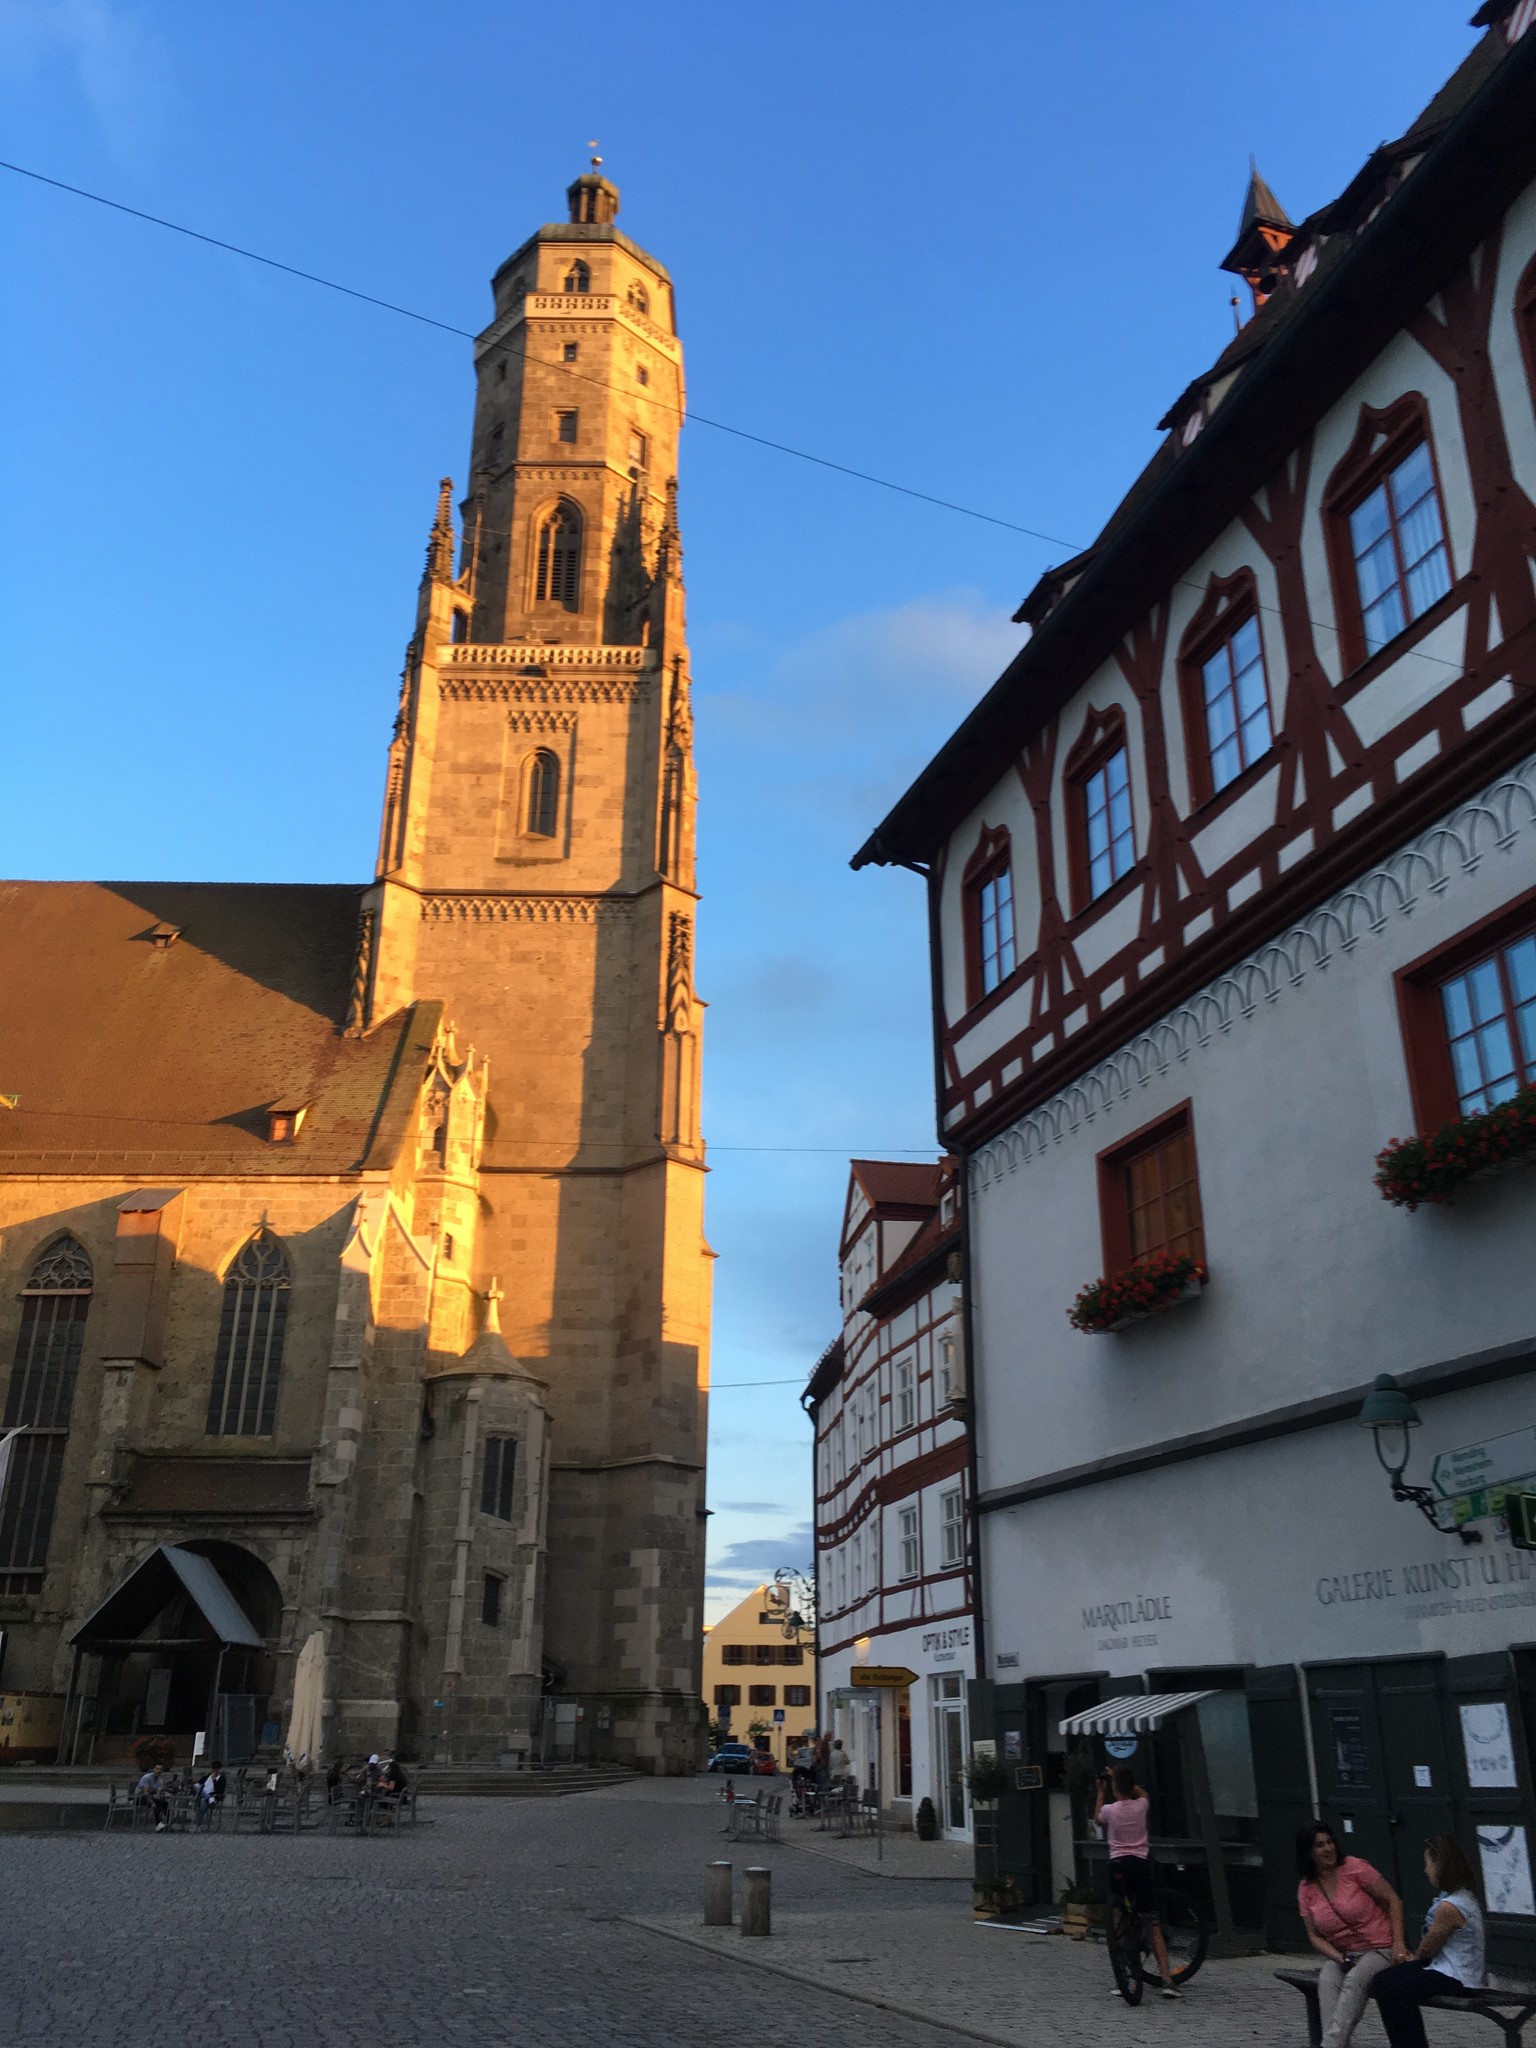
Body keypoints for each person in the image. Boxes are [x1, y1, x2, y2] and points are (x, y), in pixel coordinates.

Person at [1295, 1821, 1406, 2046]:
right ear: (1308, 1852)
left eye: (1329, 1842)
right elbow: (1314, 1935)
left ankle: (1329, 2045)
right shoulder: (1306, 1888)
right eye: (1319, 1845)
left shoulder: (1355, 1868)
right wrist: (1339, 1958)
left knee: (1354, 1981)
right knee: (1327, 1981)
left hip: (1379, 1948)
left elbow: (1393, 1900)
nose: (1328, 1849)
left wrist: (1399, 1944)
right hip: (1343, 1953)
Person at [1371, 1836, 1486, 2048]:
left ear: (1440, 1865)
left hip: (1457, 1977)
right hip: (1447, 1970)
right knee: (1388, 1980)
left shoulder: (1449, 1907)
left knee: (1390, 1985)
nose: (1426, 1870)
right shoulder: (1463, 1897)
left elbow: (1427, 1950)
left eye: (1428, 1863)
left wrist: (1410, 1958)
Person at [1094, 1765, 1180, 2000]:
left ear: (1114, 1788)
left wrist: (1101, 1792)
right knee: (1152, 1922)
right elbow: (1143, 1794)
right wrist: (1126, 1783)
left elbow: (1097, 1819)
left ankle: (1125, 1976)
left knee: (1119, 1920)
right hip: (1140, 1865)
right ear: (1131, 1787)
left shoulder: (1111, 1810)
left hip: (1118, 1866)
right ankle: (1167, 1980)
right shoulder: (1141, 1806)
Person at [135, 1762, 169, 1832]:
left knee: (165, 1803)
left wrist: (158, 1796)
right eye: (157, 1769)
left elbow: (158, 1792)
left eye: (160, 1769)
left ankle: (168, 1822)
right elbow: (145, 1793)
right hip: (140, 1797)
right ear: (153, 1769)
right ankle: (158, 1824)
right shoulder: (146, 1778)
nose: (159, 1771)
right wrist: (152, 1802)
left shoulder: (159, 1780)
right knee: (156, 1804)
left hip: (151, 1797)